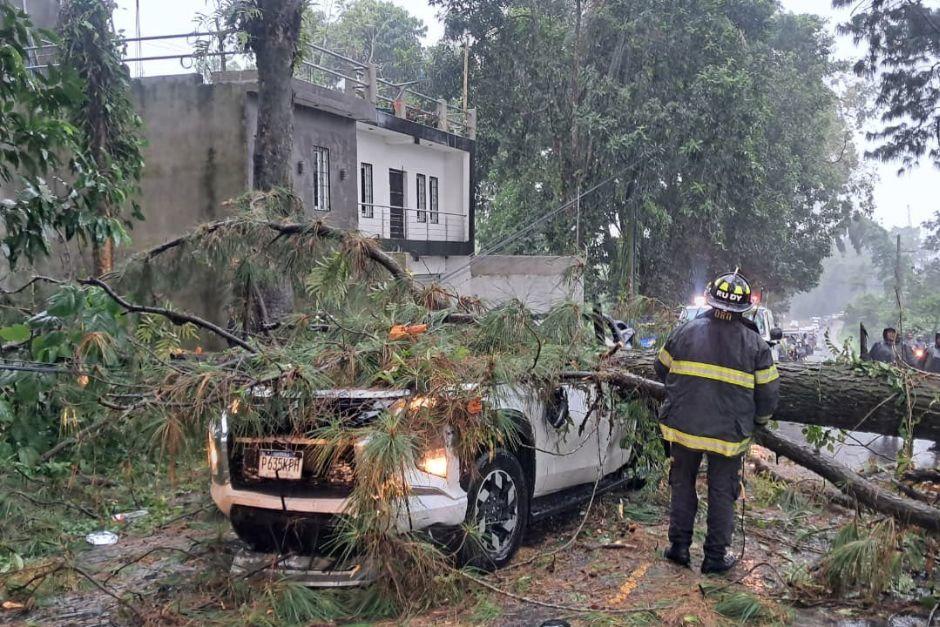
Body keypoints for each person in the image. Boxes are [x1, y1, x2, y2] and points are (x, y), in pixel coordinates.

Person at [655, 271, 780, 574]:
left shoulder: (684, 331)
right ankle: (713, 558)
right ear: (744, 308)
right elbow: (768, 394)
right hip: (727, 435)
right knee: (722, 493)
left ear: (711, 300)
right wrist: (759, 422)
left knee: (682, 485)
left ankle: (679, 548)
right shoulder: (756, 345)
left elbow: (660, 369)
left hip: (684, 428)